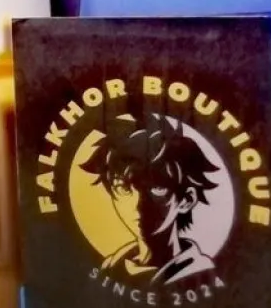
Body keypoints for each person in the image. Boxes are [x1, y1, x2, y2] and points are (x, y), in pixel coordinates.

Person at [80, 113, 221, 285]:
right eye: (123, 188)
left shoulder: (202, 280)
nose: (139, 205)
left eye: (156, 188)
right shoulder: (111, 269)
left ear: (187, 199)